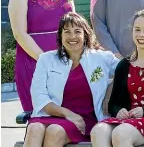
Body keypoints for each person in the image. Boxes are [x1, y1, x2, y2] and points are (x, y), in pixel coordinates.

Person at [23, 12, 120, 147]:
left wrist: (110, 91)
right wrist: (67, 114)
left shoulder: (102, 58)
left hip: (85, 121)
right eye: (67, 32)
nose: (72, 36)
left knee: (54, 130)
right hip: (52, 116)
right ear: (61, 36)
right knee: (34, 128)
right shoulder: (46, 59)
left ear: (85, 35)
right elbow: (39, 97)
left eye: (77, 31)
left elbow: (126, 71)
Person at [90, 9, 144, 147]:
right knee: (98, 131)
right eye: (137, 29)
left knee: (121, 134)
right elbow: (113, 103)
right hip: (129, 121)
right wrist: (119, 110)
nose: (141, 34)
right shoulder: (124, 65)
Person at [8, 0, 75, 112]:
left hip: (66, 59)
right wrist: (47, 61)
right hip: (34, 61)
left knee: (71, 114)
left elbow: (75, 25)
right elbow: (19, 34)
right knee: (41, 116)